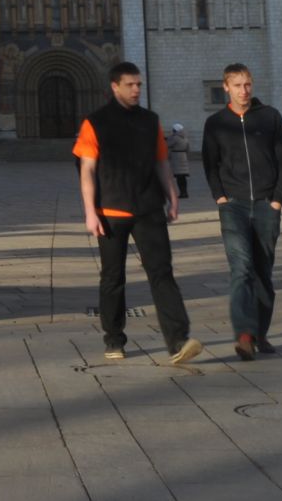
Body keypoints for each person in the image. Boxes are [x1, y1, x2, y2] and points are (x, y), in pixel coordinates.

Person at [75, 61, 203, 365]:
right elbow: (87, 171)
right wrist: (89, 212)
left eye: (139, 84)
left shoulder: (150, 121)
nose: (136, 90)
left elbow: (161, 161)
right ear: (115, 86)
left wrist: (171, 194)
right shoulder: (95, 122)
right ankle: (114, 338)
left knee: (162, 273)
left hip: (148, 207)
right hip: (111, 210)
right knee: (112, 276)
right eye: (130, 84)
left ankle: (178, 341)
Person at [202, 63, 282, 361]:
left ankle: (259, 334)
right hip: (234, 207)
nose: (244, 91)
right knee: (241, 269)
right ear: (225, 86)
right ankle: (243, 335)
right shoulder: (216, 123)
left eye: (248, 84)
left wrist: (277, 200)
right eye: (238, 85)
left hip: (266, 204)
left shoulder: (270, 117)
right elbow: (210, 163)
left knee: (264, 273)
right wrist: (221, 198)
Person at [166, 123, 191, 199]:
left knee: (179, 177)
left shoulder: (175, 138)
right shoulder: (185, 138)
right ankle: (185, 192)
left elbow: (168, 144)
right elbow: (188, 149)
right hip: (183, 157)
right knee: (183, 177)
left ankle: (182, 193)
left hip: (176, 157)